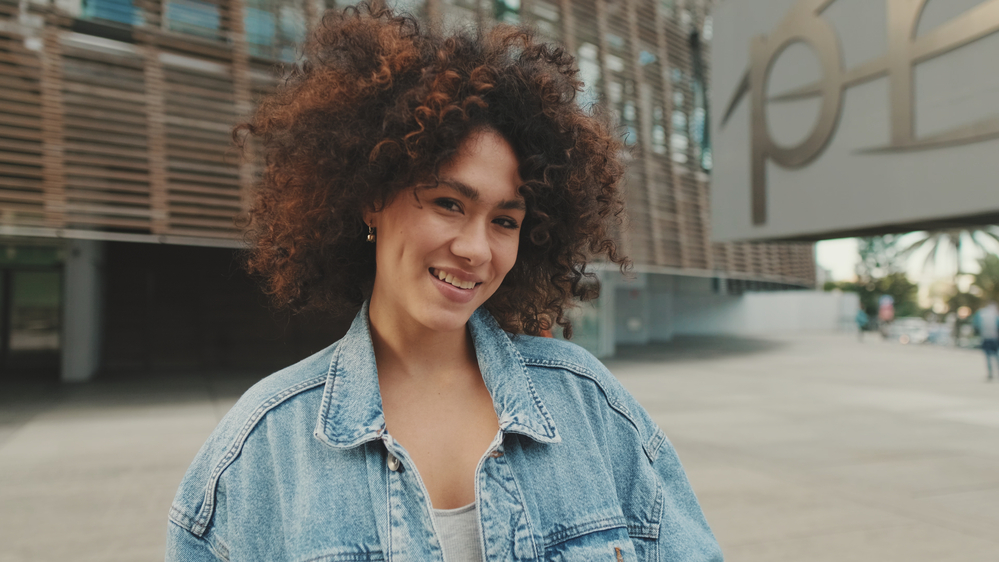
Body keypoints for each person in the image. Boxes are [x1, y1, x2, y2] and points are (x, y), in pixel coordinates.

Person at [166, 4, 721, 561]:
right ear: (372, 198)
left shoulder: (588, 404)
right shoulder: (261, 449)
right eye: (448, 203)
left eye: (505, 220)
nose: (476, 249)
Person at [973, 302, 999, 381]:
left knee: (987, 356)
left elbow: (975, 324)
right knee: (996, 355)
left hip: (985, 337)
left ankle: (990, 372)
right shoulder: (995, 314)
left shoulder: (981, 313)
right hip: (994, 338)